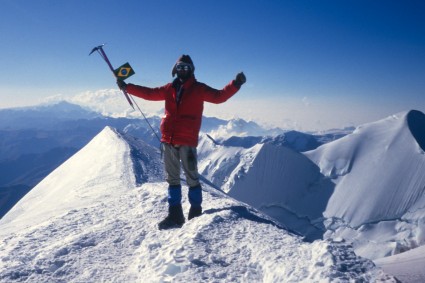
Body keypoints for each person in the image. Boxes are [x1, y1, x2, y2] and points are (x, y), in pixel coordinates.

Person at [117, 54, 246, 229]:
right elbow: (149, 93)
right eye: (179, 67)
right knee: (172, 179)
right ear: (175, 69)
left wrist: (235, 84)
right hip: (168, 140)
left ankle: (195, 211)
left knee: (192, 178)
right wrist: (127, 87)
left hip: (187, 141)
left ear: (191, 70)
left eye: (185, 67)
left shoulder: (199, 89)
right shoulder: (169, 88)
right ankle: (175, 214)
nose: (182, 70)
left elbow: (219, 97)